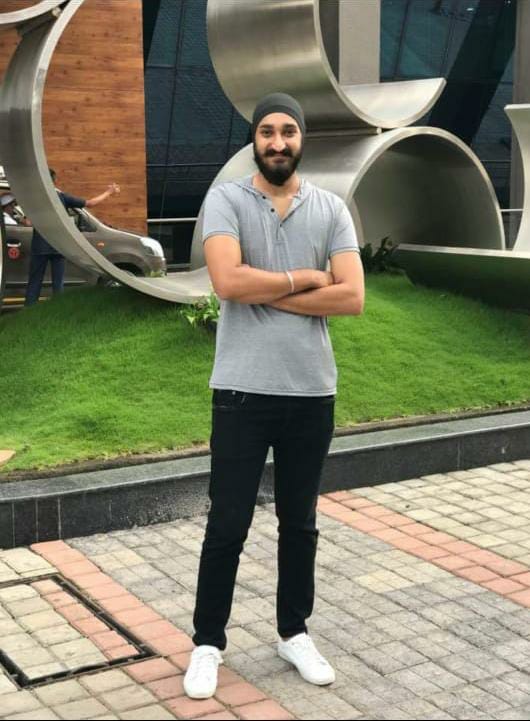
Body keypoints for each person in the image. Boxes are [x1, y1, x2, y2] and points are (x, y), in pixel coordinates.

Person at [184, 93, 365, 699]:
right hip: (241, 391)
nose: (278, 141)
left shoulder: (332, 209)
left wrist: (266, 292)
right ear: (254, 139)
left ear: (301, 139)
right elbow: (226, 281)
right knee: (227, 523)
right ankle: (207, 644)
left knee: (300, 523)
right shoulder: (226, 200)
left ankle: (294, 633)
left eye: (289, 130)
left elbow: (352, 296)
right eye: (267, 131)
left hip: (311, 392)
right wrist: (305, 279)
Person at [24, 169, 120, 306]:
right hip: (59, 247)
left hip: (40, 246)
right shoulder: (62, 197)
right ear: (54, 181)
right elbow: (90, 203)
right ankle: (58, 311)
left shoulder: (35, 197)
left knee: (34, 282)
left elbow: (28, 222)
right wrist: (109, 192)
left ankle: (29, 310)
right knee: (58, 284)